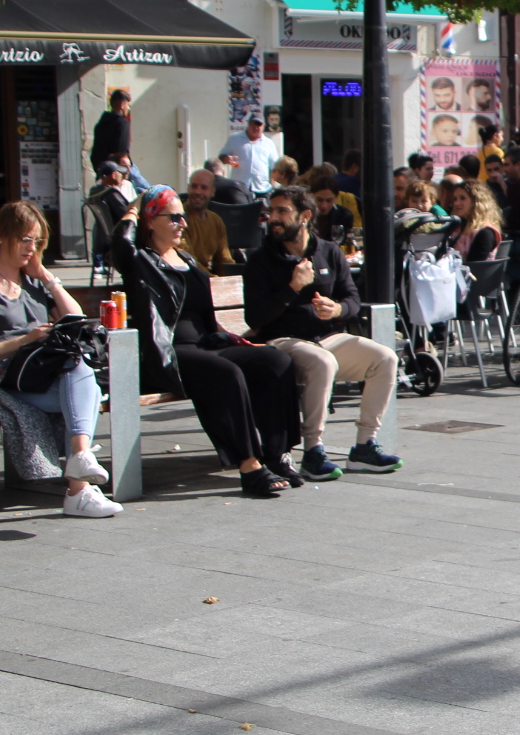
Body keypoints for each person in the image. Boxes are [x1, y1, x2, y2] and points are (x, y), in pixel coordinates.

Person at [113, 186, 300, 497]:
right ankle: (250, 465)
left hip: (207, 345)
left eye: (182, 216)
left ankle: (276, 454)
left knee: (275, 360)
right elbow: (120, 241)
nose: (182, 223)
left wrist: (231, 337)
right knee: (226, 373)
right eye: (173, 217)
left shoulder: (186, 259)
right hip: (169, 352)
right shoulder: (140, 261)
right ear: (150, 221)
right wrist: (135, 207)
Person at [0, 202, 120, 518]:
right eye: (25, 239)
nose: (32, 248)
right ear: (2, 236)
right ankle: (78, 487)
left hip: (40, 371)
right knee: (85, 390)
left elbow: (75, 318)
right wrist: (24, 340)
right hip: (0, 377)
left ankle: (79, 468)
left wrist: (46, 276)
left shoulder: (31, 282)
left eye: (37, 241)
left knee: (79, 374)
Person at [244, 187, 401, 481]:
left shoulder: (328, 251)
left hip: (327, 337)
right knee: (322, 362)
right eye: (272, 211)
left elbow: (352, 298)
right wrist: (292, 287)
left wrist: (337, 309)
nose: (273, 218)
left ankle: (364, 446)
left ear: (305, 216)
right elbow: (255, 318)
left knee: (385, 358)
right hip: (282, 341)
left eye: (282, 211)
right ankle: (313, 451)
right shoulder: (261, 260)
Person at [178, 169, 233, 272]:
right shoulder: (180, 219)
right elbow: (189, 261)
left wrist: (234, 277)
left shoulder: (216, 221)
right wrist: (212, 279)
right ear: (188, 188)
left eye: (204, 188)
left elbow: (225, 260)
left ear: (212, 191)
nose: (198, 192)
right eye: (194, 186)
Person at [220, 116, 278, 195]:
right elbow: (221, 157)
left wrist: (272, 187)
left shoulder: (269, 143)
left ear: (263, 126)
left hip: (262, 188)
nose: (255, 127)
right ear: (248, 124)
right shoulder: (234, 139)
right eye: (253, 124)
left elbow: (274, 167)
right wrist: (226, 159)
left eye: (259, 124)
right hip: (239, 187)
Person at [448, 179, 503, 262]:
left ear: (476, 201)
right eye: (455, 199)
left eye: (462, 198)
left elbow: (474, 265)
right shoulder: (457, 226)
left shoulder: (485, 232)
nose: (456, 203)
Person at [90, 90, 132, 176]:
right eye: (128, 105)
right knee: (142, 183)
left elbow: (95, 153)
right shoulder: (122, 123)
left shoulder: (101, 124)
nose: (128, 108)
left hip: (102, 170)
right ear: (122, 105)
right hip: (118, 171)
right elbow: (122, 151)